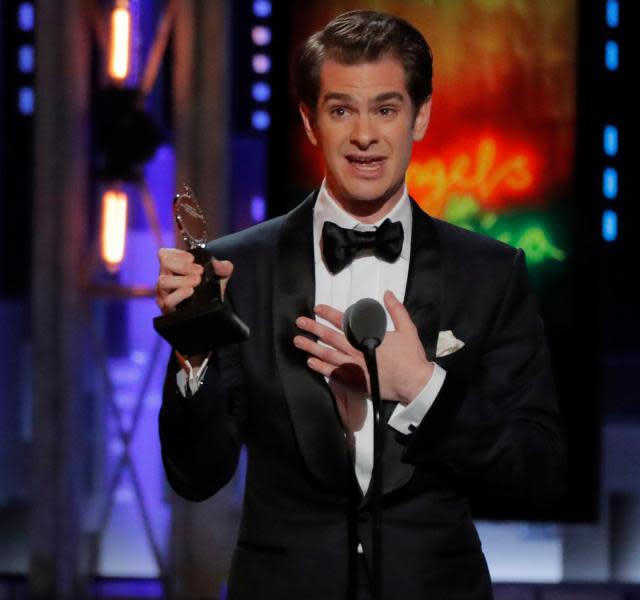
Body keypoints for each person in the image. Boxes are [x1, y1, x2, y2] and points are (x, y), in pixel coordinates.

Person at [156, 10, 565, 599]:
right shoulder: (238, 270)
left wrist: (423, 387)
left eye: (387, 109)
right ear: (309, 121)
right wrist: (194, 346)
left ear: (420, 116)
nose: (365, 135)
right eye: (341, 109)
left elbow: (537, 472)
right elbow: (197, 476)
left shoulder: (490, 274)